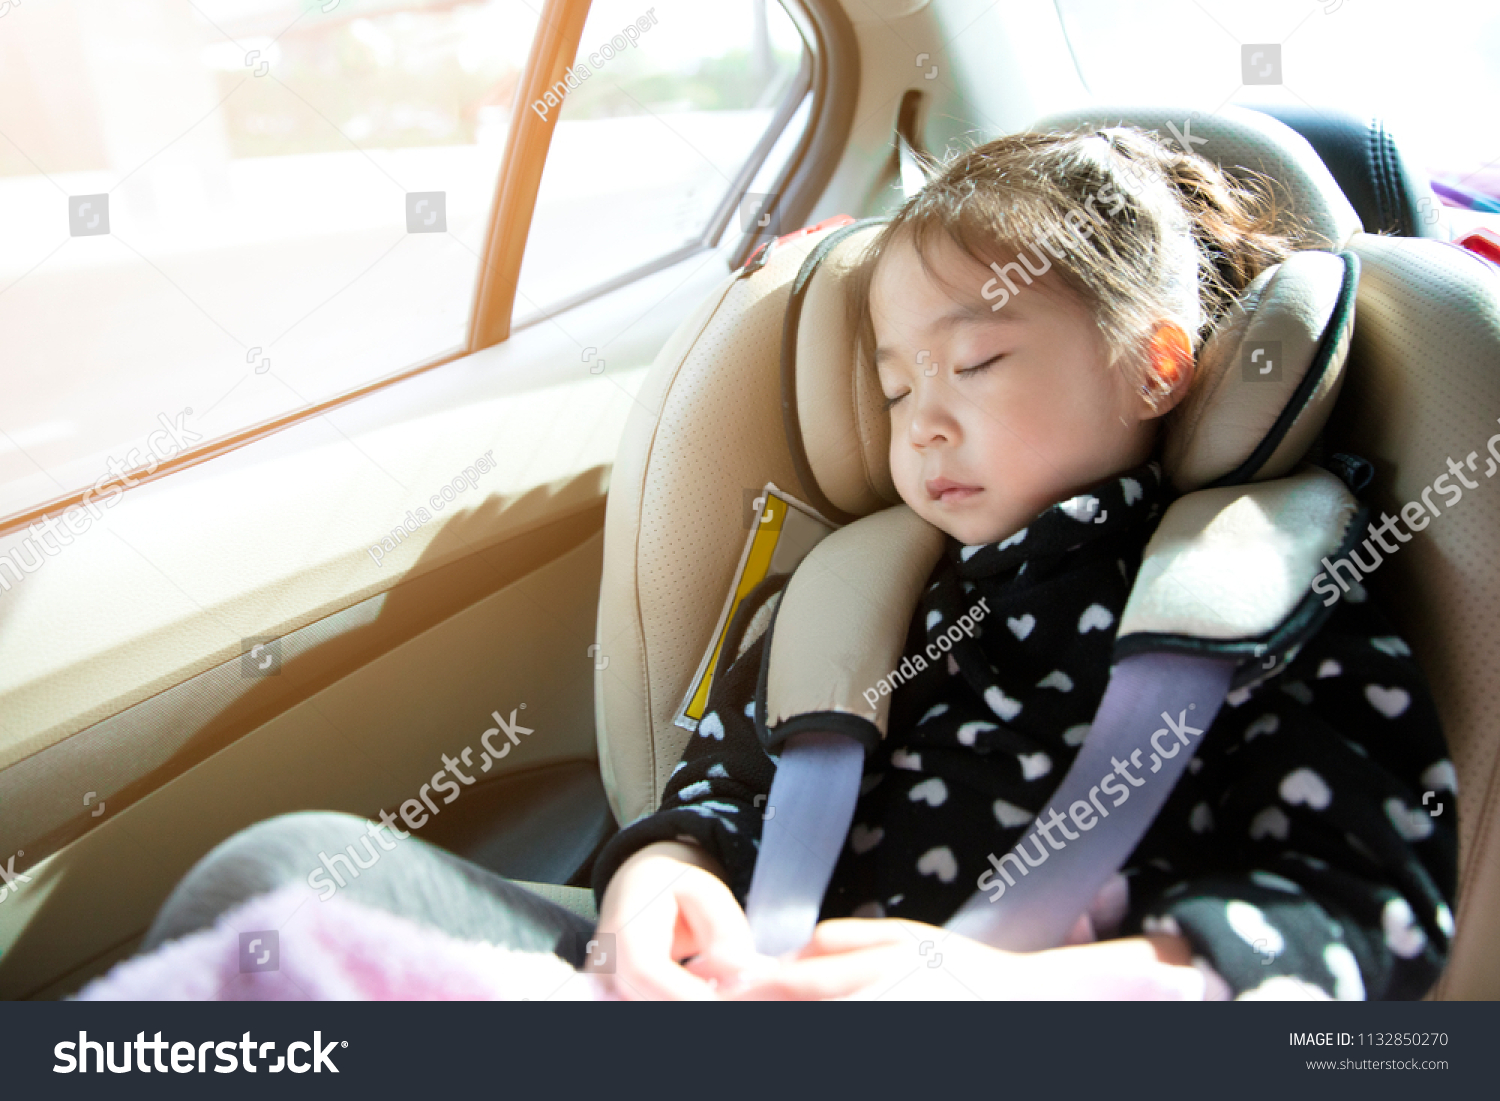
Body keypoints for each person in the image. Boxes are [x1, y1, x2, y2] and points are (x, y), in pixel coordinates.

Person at [140, 127, 1455, 1002]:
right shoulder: (852, 596)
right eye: (894, 383)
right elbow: (711, 789)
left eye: (981, 362)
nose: (923, 418)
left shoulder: (1262, 600)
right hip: (738, 989)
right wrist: (664, 881)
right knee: (278, 877)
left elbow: (1356, 918)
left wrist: (1008, 986)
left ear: (1159, 364)